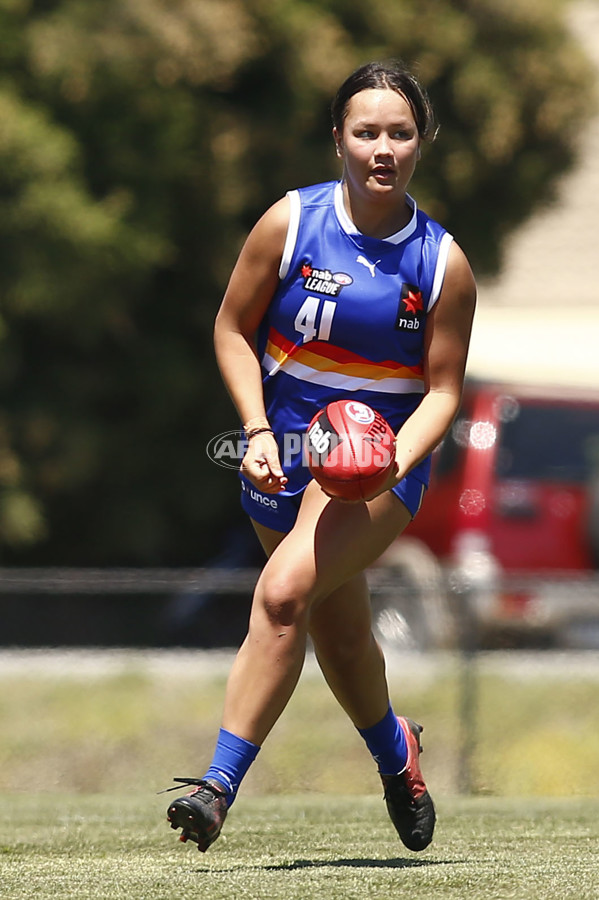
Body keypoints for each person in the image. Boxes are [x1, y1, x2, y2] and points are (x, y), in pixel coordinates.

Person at [164, 59, 477, 853]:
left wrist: (387, 462)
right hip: (285, 453)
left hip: (377, 469)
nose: (383, 148)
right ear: (337, 137)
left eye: (399, 133)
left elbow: (441, 394)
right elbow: (232, 330)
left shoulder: (442, 264)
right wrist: (258, 430)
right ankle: (396, 753)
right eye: (366, 130)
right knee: (337, 634)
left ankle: (216, 786)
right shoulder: (290, 223)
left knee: (280, 595)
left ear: (422, 142)